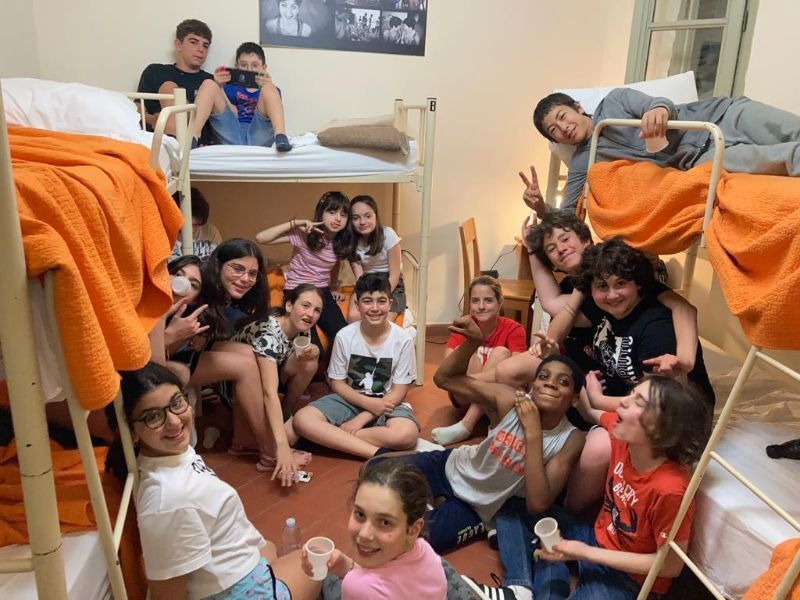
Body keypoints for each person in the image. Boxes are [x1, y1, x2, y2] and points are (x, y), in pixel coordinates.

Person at [105, 362, 321, 600]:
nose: (174, 422)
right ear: (131, 431)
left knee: (271, 548)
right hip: (240, 592)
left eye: (176, 403)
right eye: (153, 417)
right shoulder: (169, 500)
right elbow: (166, 595)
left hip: (236, 573)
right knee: (320, 561)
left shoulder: (168, 457)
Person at [541, 237, 715, 514]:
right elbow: (557, 329)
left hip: (670, 414)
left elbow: (654, 406)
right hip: (627, 395)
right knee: (549, 388)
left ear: (639, 284)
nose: (612, 294)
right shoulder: (605, 306)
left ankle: (569, 513)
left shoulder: (657, 329)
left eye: (620, 284)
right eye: (602, 286)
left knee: (598, 446)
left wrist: (596, 402)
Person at [384, 315, 584, 553]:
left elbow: (537, 504)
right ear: (532, 385)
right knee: (376, 475)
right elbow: (444, 379)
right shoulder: (510, 400)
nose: (550, 384)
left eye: (563, 382)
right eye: (543, 377)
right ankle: (431, 494)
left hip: (478, 505)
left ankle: (449, 507)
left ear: (575, 399)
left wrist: (533, 432)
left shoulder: (571, 438)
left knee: (417, 540)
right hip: (452, 466)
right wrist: (471, 343)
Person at [531, 376, 712, 599]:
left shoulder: (670, 488)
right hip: (596, 538)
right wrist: (590, 391)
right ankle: (519, 586)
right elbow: (592, 413)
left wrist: (585, 553)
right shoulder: (623, 433)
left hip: (628, 579)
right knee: (524, 508)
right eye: (631, 394)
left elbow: (670, 566)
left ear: (662, 430)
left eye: (638, 402)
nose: (623, 401)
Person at [532, 88, 800, 214]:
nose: (564, 127)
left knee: (794, 130)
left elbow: (659, 103)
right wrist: (542, 208)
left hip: (722, 114)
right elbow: (568, 213)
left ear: (578, 107)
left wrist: (658, 111)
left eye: (562, 116)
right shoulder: (584, 161)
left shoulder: (614, 101)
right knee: (783, 159)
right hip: (701, 157)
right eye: (554, 130)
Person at [292, 273, 419, 458]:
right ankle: (375, 453)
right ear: (357, 305)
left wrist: (362, 418)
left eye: (381, 301)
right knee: (302, 419)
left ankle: (330, 437)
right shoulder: (344, 336)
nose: (375, 308)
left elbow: (399, 392)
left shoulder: (403, 340)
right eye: (367, 301)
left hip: (388, 402)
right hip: (350, 399)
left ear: (390, 304)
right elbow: (337, 383)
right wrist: (367, 403)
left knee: (406, 435)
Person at [299, 459, 448, 600]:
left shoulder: (357, 588)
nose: (365, 534)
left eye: (385, 522)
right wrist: (344, 564)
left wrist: (355, 580)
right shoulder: (425, 550)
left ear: (414, 529)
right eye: (360, 514)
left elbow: (369, 588)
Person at [233, 284, 323, 484]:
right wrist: (282, 447)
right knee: (287, 436)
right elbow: (269, 393)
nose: (310, 314)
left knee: (310, 361)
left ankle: (284, 411)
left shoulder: (302, 328)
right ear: (289, 306)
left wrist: (314, 350)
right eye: (305, 306)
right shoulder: (268, 334)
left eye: (317, 310)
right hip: (238, 387)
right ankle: (265, 446)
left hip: (274, 370)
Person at [430, 276, 527, 446]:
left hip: (496, 399)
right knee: (468, 354)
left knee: (501, 354)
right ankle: (480, 424)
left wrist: (462, 381)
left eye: (488, 300)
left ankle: (466, 425)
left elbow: (517, 372)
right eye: (475, 301)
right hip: (464, 397)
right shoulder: (463, 328)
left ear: (500, 303)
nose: (481, 306)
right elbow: (447, 366)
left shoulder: (514, 329)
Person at [256, 191, 355, 353]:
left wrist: (334, 286)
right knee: (312, 348)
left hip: (321, 291)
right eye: (332, 212)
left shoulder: (340, 242)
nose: (338, 218)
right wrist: (295, 223)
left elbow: (334, 265)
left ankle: (337, 369)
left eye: (343, 215)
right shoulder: (304, 234)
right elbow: (261, 238)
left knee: (345, 337)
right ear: (321, 213)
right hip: (298, 290)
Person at [137, 19, 222, 147]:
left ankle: (181, 147)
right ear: (178, 44)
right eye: (193, 42)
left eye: (205, 45)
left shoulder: (210, 81)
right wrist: (153, 119)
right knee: (169, 87)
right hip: (160, 140)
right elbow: (137, 108)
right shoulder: (156, 71)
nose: (201, 49)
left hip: (197, 146)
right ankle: (174, 146)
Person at [213, 42, 292, 151]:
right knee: (210, 84)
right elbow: (232, 114)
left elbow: (271, 114)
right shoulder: (229, 87)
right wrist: (220, 87)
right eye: (243, 65)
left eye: (255, 65)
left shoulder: (270, 90)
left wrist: (267, 85)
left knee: (269, 88)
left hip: (259, 133)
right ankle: (193, 138)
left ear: (264, 68)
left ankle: (281, 137)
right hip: (234, 131)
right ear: (236, 67)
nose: (249, 70)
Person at [347, 195, 406, 323]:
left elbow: (395, 275)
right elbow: (360, 278)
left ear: (375, 215)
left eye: (367, 216)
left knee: (383, 320)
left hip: (390, 282)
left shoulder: (388, 235)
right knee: (353, 317)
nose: (362, 222)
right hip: (366, 281)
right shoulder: (351, 241)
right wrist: (367, 297)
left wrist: (380, 297)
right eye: (356, 218)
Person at [171, 187, 224, 258]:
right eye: (186, 225)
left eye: (196, 225)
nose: (191, 230)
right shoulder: (166, 234)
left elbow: (219, 260)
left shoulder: (210, 231)